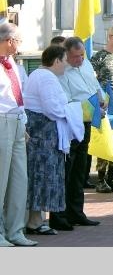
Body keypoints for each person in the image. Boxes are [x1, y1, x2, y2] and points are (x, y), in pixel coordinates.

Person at [24, 45, 78, 236]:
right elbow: (52, 108)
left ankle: (36, 220)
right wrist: (71, 110)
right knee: (43, 176)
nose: (66, 64)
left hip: (41, 133)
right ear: (56, 61)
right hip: (44, 136)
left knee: (38, 176)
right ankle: (35, 222)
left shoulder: (38, 75)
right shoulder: (46, 77)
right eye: (64, 60)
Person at [50, 37, 103, 230]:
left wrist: (101, 100)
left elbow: (94, 85)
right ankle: (61, 214)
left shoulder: (85, 63)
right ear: (66, 54)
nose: (80, 60)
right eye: (75, 57)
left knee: (80, 169)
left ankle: (77, 212)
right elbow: (66, 100)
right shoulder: (61, 71)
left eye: (82, 55)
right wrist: (88, 107)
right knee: (67, 170)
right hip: (70, 124)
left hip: (86, 123)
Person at [0, 21, 37, 247]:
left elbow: (17, 94)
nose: (20, 46)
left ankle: (15, 231)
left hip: (16, 121)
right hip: (1, 120)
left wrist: (23, 123)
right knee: (1, 179)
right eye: (19, 41)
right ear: (9, 40)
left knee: (19, 179)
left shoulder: (12, 62)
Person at [89, 24, 113, 194]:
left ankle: (112, 178)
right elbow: (91, 81)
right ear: (109, 37)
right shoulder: (98, 58)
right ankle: (101, 179)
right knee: (105, 141)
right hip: (105, 106)